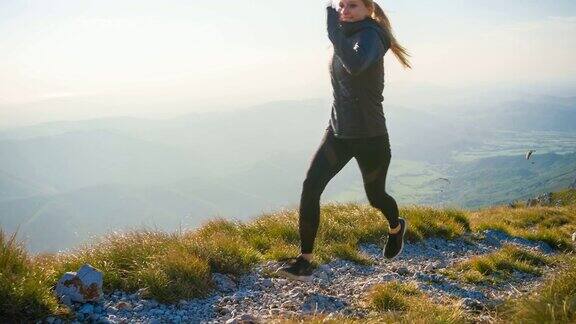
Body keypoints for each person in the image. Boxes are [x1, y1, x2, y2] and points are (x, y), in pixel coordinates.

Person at [276, 0, 412, 282]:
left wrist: (332, 31)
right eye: (341, 5)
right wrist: (337, 33)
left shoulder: (372, 36)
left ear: (368, 9)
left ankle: (396, 227)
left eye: (352, 5)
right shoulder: (346, 35)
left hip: (370, 137)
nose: (344, 10)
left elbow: (355, 64)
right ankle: (305, 260)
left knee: (376, 197)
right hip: (338, 134)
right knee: (311, 186)